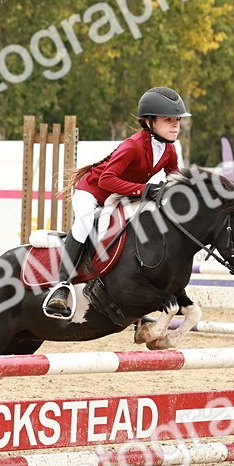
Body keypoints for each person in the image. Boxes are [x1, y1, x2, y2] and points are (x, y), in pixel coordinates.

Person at [42, 86, 189, 319]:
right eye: (168, 120)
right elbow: (106, 179)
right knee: (86, 223)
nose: (175, 125)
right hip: (93, 192)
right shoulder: (132, 146)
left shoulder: (169, 150)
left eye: (178, 120)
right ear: (149, 122)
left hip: (121, 195)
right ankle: (61, 286)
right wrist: (145, 189)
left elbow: (174, 181)